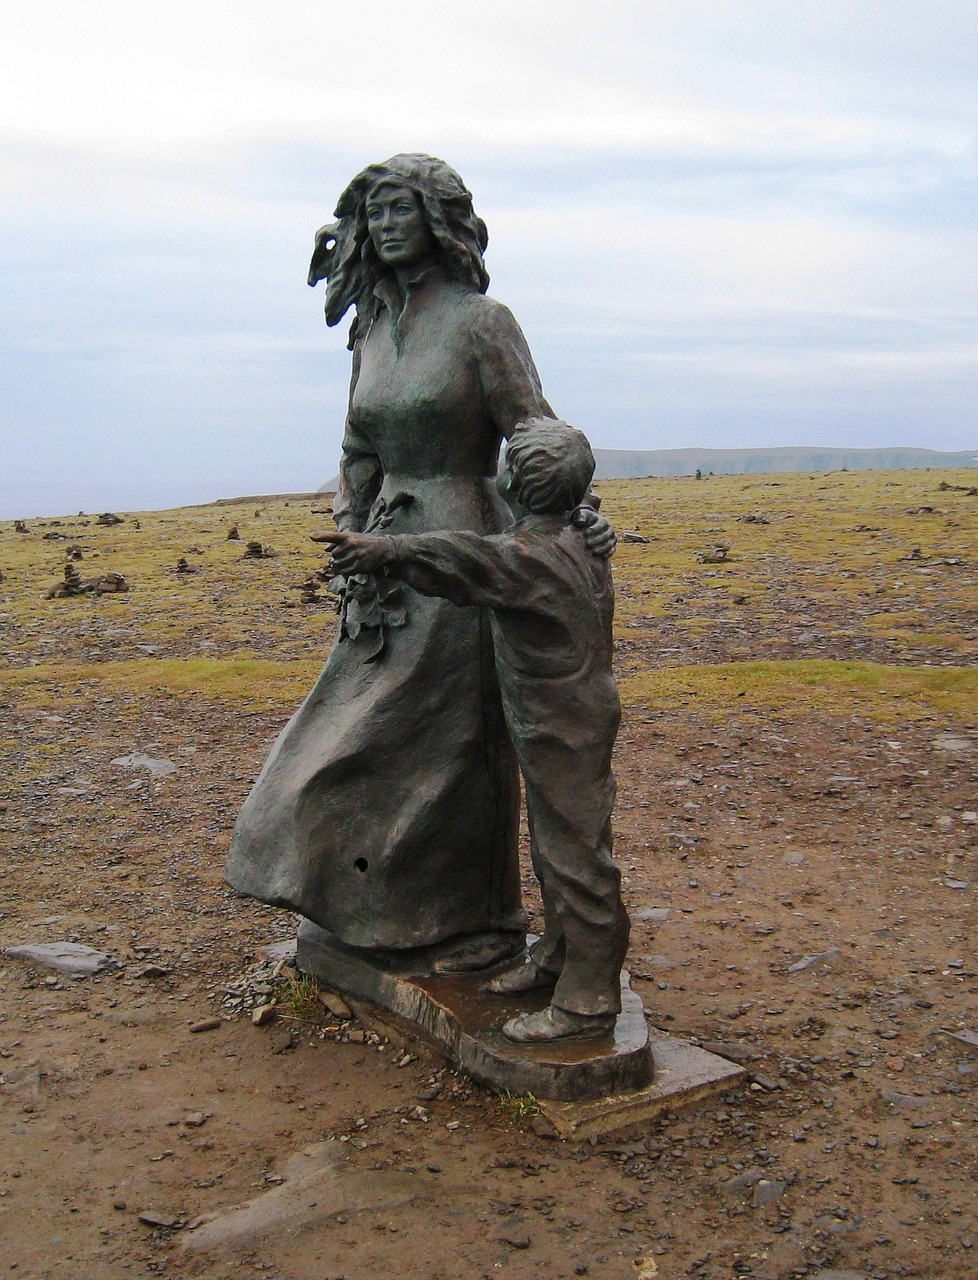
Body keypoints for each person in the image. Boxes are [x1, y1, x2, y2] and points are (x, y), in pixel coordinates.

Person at [226, 155, 612, 972]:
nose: (385, 225)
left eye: (402, 208)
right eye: (374, 213)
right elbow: (356, 444)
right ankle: (367, 911)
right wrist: (350, 532)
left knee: (449, 749)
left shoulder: (483, 323)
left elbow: (535, 430)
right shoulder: (369, 329)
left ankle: (466, 923)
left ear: (439, 220)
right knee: (356, 733)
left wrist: (576, 522)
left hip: (465, 549)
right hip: (382, 555)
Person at [322, 420, 628, 1041]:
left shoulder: (530, 557)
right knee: (556, 843)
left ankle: (588, 1001)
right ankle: (558, 958)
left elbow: (464, 559)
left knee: (576, 856)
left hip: (560, 725)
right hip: (570, 714)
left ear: (512, 481)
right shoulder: (578, 537)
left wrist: (385, 550)